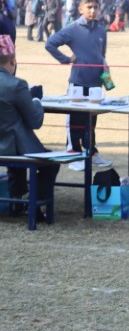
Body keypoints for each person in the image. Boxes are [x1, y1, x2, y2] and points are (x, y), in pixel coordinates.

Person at [45, 0, 113, 171]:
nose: (93, 11)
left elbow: (101, 54)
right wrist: (66, 59)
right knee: (75, 120)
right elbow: (50, 44)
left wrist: (105, 68)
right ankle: (74, 153)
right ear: (80, 9)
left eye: (95, 7)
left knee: (91, 121)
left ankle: (91, 152)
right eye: (89, 7)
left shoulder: (101, 30)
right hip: (78, 82)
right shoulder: (72, 29)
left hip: (96, 84)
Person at [0, 35, 59, 220]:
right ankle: (33, 203)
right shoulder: (16, 85)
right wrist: (36, 100)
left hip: (6, 145)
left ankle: (16, 201)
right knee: (51, 164)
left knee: (16, 165)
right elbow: (35, 121)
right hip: (14, 146)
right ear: (13, 60)